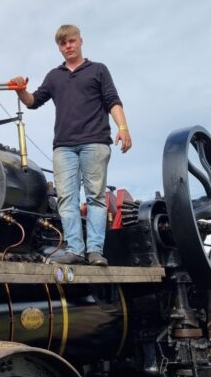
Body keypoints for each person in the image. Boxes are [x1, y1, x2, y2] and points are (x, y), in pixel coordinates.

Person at [11, 24, 132, 266]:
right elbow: (34, 101)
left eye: (72, 41)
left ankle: (95, 251)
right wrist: (21, 91)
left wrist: (123, 128)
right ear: (59, 47)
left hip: (95, 142)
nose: (68, 46)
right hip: (64, 147)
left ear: (80, 41)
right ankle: (75, 249)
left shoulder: (98, 70)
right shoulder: (54, 76)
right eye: (63, 43)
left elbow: (112, 101)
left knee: (95, 197)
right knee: (67, 197)